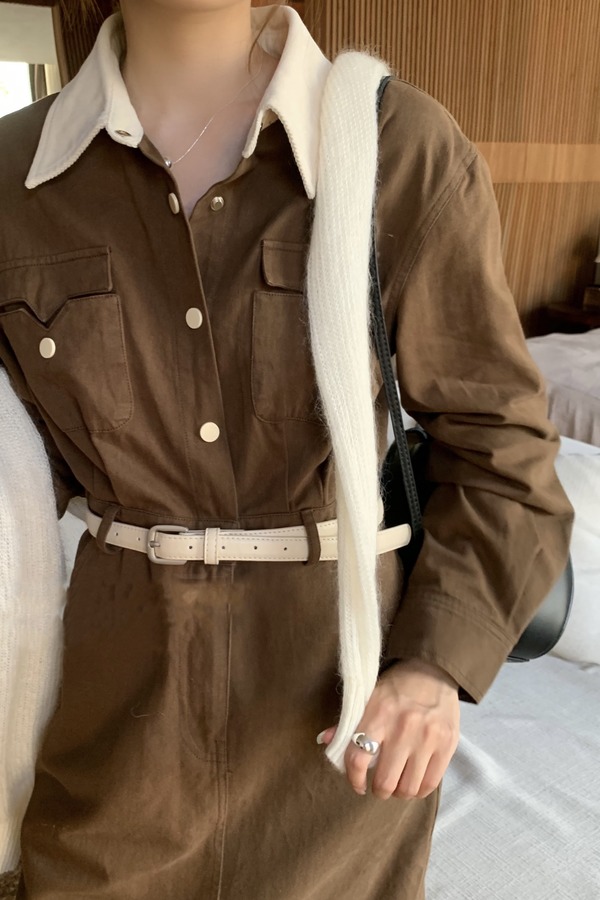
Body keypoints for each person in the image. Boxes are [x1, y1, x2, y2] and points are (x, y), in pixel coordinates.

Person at [0, 1, 573, 898]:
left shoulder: (398, 147)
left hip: (339, 736)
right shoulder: (14, 175)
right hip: (114, 735)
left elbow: (503, 449)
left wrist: (435, 666)